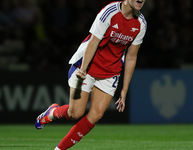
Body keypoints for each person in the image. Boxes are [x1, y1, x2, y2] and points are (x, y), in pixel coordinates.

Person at [35, 0, 147, 149]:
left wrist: (125, 89)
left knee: (96, 115)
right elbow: (94, 41)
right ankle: (52, 113)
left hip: (110, 72)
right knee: (75, 113)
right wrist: (83, 69)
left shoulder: (141, 23)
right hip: (87, 66)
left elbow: (131, 56)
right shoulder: (109, 12)